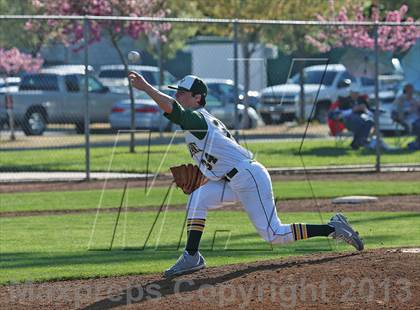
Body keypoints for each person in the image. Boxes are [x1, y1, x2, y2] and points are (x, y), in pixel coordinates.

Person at [128, 72, 364, 278]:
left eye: (182, 92)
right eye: (177, 91)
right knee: (197, 198)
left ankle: (332, 228)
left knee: (274, 234)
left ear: (197, 98)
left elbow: (175, 111)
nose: (178, 95)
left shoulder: (198, 118)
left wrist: (147, 88)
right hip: (233, 179)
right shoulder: (200, 121)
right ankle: (192, 256)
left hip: (248, 178)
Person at [329, 85, 374, 150]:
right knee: (359, 121)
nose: (356, 94)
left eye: (357, 93)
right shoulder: (344, 101)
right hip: (348, 121)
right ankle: (360, 142)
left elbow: (370, 113)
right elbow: (337, 114)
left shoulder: (361, 100)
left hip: (361, 120)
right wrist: (352, 110)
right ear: (350, 92)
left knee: (369, 121)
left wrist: (365, 110)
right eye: (355, 93)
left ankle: (357, 142)